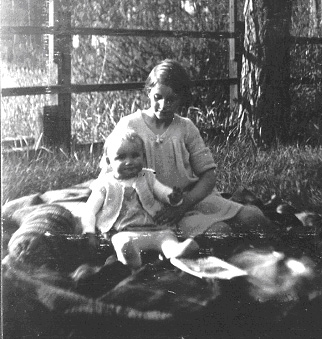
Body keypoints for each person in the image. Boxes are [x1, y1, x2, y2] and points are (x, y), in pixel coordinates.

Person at [100, 59, 275, 239]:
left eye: (171, 99)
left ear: (181, 99)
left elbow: (208, 175)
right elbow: (109, 173)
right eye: (157, 97)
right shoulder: (130, 125)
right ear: (149, 92)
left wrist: (186, 203)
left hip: (193, 200)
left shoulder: (185, 127)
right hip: (155, 208)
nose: (163, 105)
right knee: (222, 234)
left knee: (255, 217)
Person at [81, 129, 199, 269]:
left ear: (143, 157)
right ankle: (132, 260)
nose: (129, 162)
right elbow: (89, 210)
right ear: (109, 161)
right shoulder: (105, 183)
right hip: (125, 231)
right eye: (121, 157)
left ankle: (176, 251)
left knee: (167, 238)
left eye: (135, 156)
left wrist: (172, 197)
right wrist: (89, 232)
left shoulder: (147, 176)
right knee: (121, 241)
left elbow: (162, 192)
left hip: (155, 228)